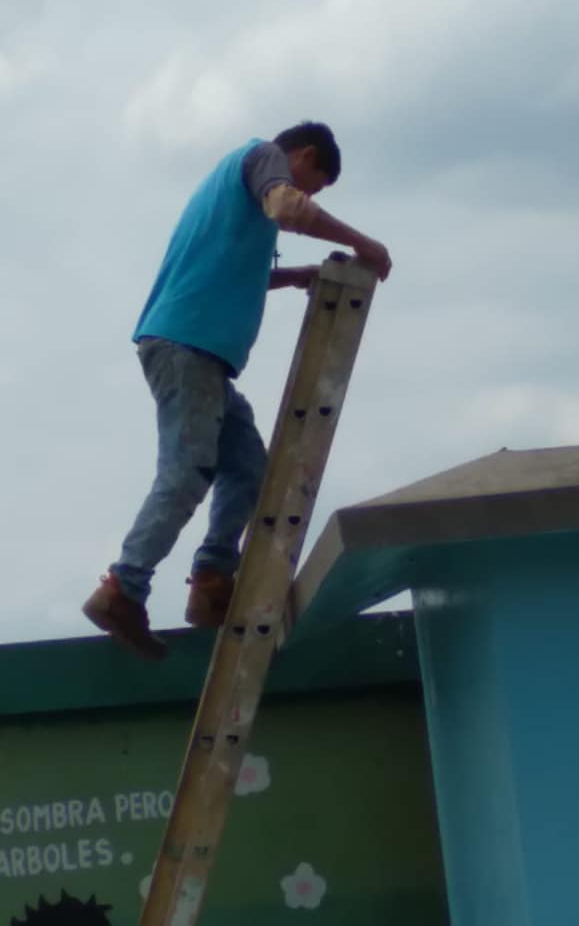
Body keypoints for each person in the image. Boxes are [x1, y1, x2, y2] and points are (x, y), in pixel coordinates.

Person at [82, 121, 391, 660]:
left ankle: (212, 581)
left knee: (247, 467)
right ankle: (122, 589)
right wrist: (362, 243)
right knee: (186, 471)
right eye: (313, 184)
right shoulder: (263, 157)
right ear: (304, 155)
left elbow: (236, 271)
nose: (307, 196)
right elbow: (288, 207)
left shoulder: (236, 194)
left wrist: (297, 275)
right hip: (187, 347)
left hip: (199, 357)